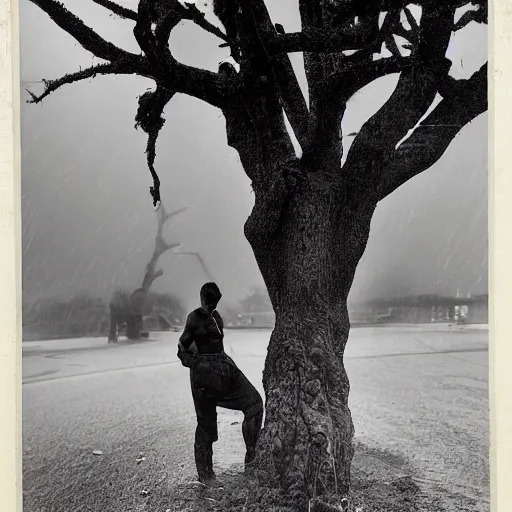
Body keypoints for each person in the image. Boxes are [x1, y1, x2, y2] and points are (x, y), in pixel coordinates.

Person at [177, 282, 264, 487]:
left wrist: (225, 364)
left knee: (254, 404)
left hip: (225, 369)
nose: (211, 304)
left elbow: (219, 346)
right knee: (206, 424)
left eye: (215, 300)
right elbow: (182, 349)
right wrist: (198, 365)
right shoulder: (193, 319)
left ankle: (252, 461)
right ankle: (205, 474)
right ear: (202, 298)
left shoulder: (216, 317)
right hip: (203, 377)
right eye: (209, 300)